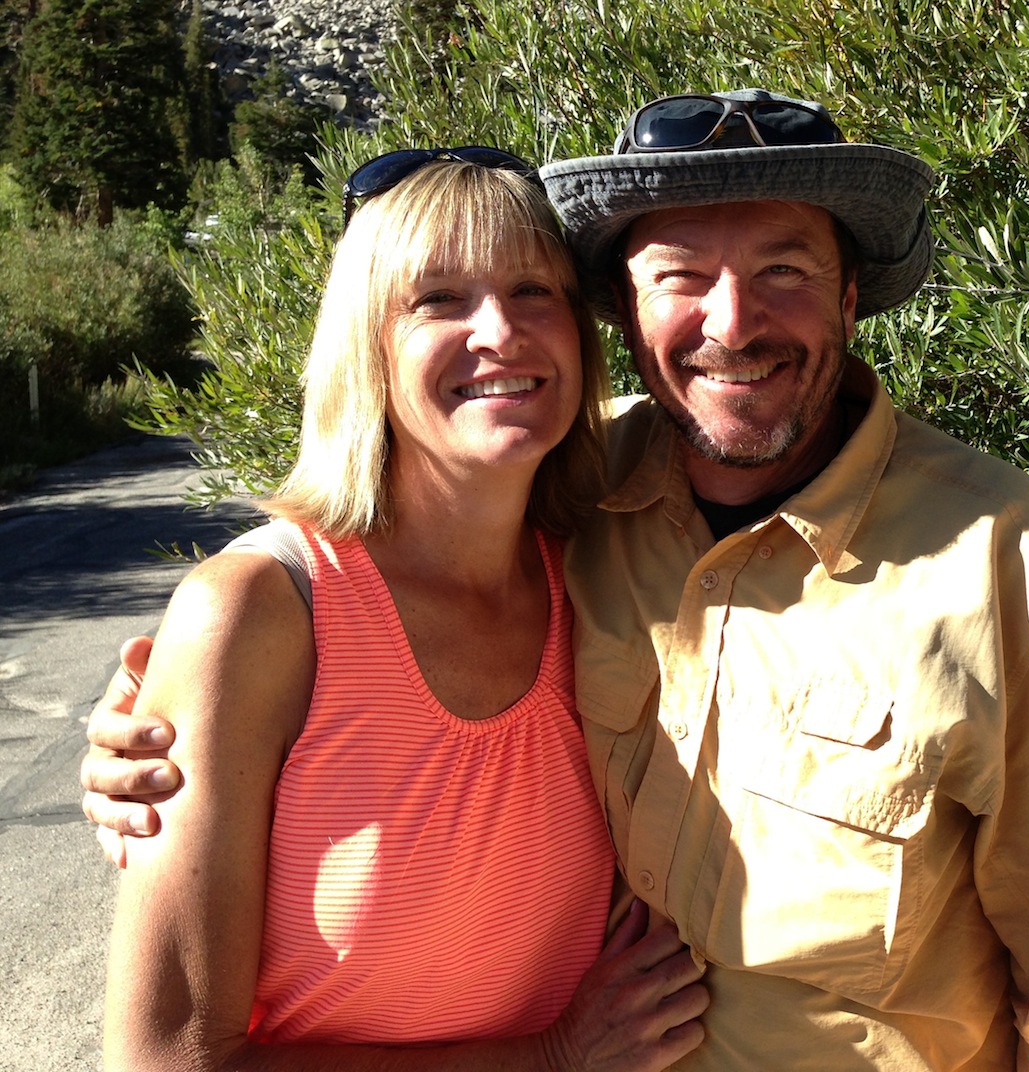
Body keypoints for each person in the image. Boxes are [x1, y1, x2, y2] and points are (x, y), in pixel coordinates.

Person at [84, 91, 1029, 1068]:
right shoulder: (573, 497)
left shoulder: (989, 546)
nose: (732, 323)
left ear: (847, 295)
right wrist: (173, 716)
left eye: (784, 269)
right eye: (681, 276)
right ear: (627, 313)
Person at [97, 147, 708, 1072]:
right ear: (366, 347)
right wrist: (548, 1060)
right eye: (438, 300)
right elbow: (163, 1059)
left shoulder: (603, 567)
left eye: (535, 290)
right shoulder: (264, 613)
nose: (499, 331)